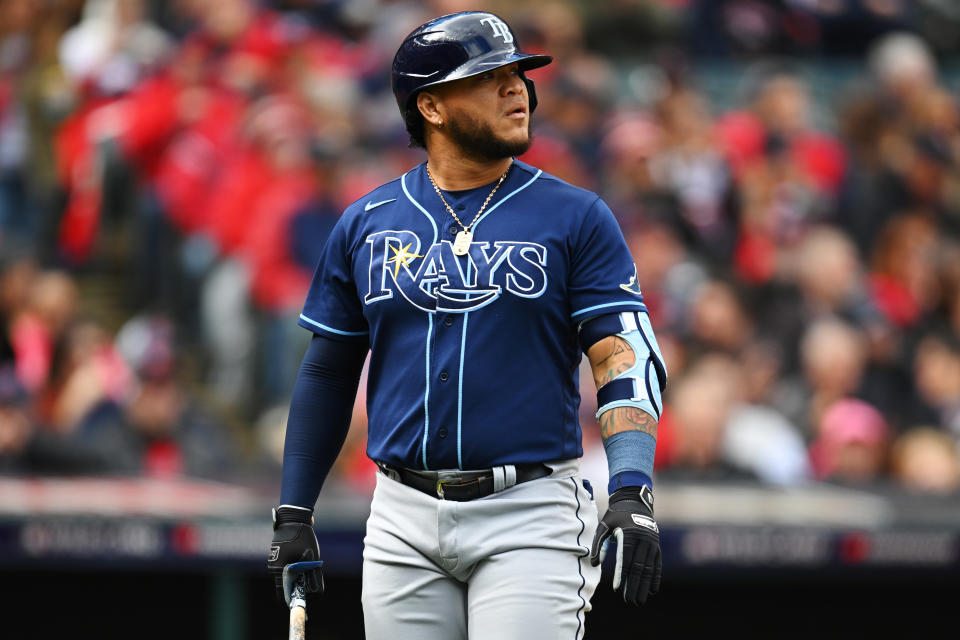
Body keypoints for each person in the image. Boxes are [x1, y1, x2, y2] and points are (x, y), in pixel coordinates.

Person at [267, 11, 667, 638]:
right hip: (401, 512)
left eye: (518, 75)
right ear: (431, 105)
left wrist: (632, 486)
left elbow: (622, 357)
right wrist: (294, 510)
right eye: (490, 77)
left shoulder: (577, 216)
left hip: (530, 510)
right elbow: (327, 370)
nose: (517, 89)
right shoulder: (366, 221)